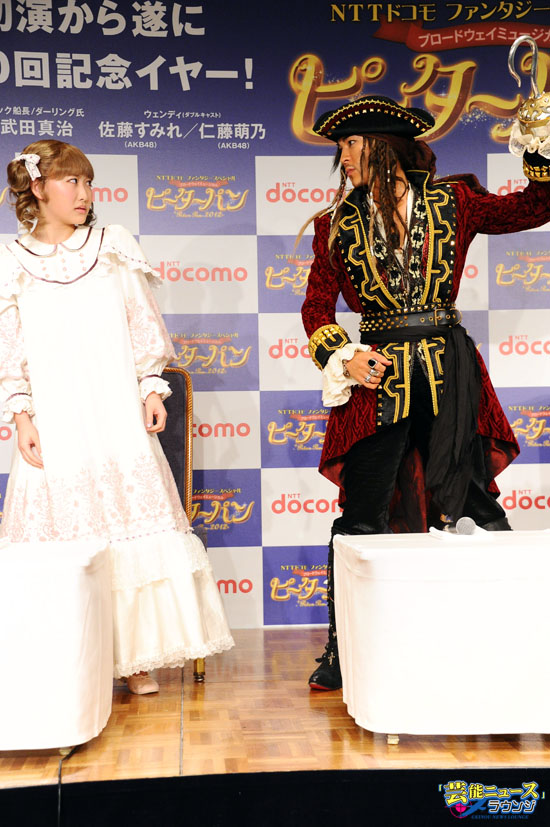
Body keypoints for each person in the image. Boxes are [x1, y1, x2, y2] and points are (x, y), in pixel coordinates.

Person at [301, 95, 550, 691]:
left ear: (382, 146)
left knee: (472, 503)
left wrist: (541, 145)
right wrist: (346, 355)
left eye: (351, 144)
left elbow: (534, 206)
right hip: (376, 380)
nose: (343, 157)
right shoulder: (335, 224)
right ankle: (344, 648)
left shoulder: (453, 201)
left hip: (448, 372)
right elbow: (315, 307)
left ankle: (505, 638)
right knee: (362, 515)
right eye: (341, 147)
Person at [0, 140, 234, 694]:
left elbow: (142, 324)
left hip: (114, 411)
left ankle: (135, 659)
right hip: (56, 419)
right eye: (72, 181)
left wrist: (151, 387)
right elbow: (12, 348)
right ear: (39, 188)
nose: (84, 193)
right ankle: (65, 660)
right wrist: (22, 414)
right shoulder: (11, 261)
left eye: (88, 182)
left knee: (130, 532)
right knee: (62, 537)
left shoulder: (112, 245)